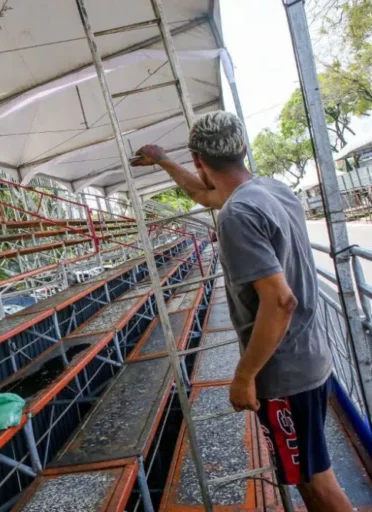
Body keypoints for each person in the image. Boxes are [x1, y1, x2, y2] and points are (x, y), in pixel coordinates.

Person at [134, 111, 352, 512]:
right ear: (243, 149)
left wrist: (244, 376)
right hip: (312, 357)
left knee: (314, 481)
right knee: (308, 468)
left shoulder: (237, 215)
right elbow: (204, 195)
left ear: (199, 159)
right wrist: (164, 160)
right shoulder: (272, 190)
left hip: (284, 372)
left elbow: (280, 300)